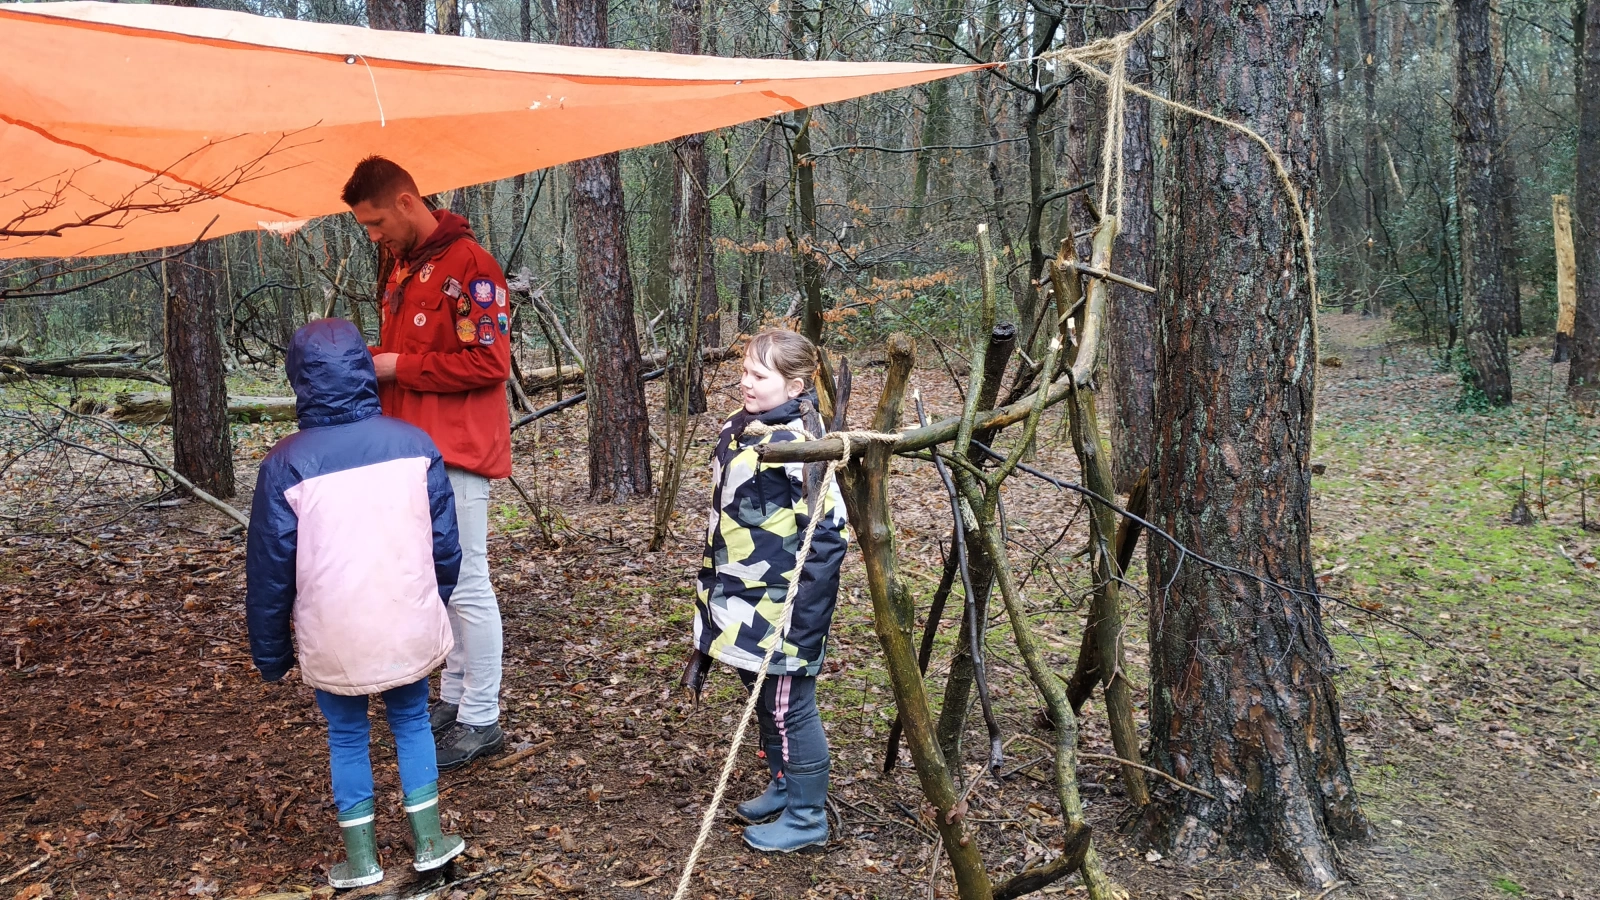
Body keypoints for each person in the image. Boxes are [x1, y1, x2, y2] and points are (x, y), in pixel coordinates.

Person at [247, 318, 467, 888]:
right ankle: (430, 842)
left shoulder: (285, 464)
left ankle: (362, 859)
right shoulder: (414, 445)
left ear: (300, 379)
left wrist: (271, 653)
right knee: (412, 719)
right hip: (404, 617)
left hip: (334, 630)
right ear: (366, 371)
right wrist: (431, 602)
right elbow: (445, 543)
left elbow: (270, 573)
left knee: (345, 734)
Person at [342, 156, 512, 771]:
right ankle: (456, 696)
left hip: (458, 452)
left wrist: (396, 367)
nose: (373, 235)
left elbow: (491, 364)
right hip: (408, 450)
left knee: (468, 583)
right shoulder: (402, 264)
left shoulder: (472, 266)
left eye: (377, 221)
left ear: (409, 201)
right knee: (438, 583)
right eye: (365, 226)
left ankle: (483, 717)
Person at [688, 329, 850, 853]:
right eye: (744, 372)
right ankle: (783, 785)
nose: (745, 383)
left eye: (760, 376)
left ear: (796, 385)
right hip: (738, 595)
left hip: (780, 602)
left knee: (790, 704)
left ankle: (807, 816)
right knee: (765, 697)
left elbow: (828, 534)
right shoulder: (745, 428)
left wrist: (803, 619)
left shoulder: (807, 443)